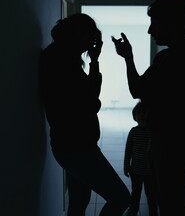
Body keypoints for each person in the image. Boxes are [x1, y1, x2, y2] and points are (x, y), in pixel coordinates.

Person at [111, 0, 185, 216]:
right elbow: (138, 91)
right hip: (162, 139)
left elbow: (142, 90)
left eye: (154, 23)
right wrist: (128, 57)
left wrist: (130, 60)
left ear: (171, 23)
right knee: (166, 200)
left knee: (172, 203)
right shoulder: (166, 55)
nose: (150, 31)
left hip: (174, 141)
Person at [39, 13, 130, 216]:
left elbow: (87, 97)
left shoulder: (62, 56)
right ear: (78, 34)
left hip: (71, 146)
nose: (92, 43)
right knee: (121, 198)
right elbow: (89, 102)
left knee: (79, 202)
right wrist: (94, 102)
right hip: (77, 148)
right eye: (91, 37)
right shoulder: (62, 61)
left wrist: (94, 61)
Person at [124, 101, 158, 216]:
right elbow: (128, 150)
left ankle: (153, 211)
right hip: (136, 171)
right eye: (139, 113)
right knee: (136, 193)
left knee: (151, 194)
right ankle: (133, 209)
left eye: (144, 113)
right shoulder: (133, 132)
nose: (142, 115)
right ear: (135, 117)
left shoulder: (153, 132)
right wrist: (126, 166)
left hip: (150, 172)